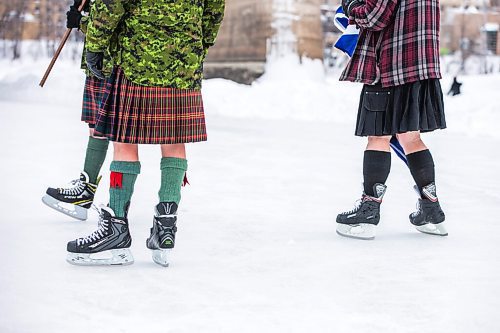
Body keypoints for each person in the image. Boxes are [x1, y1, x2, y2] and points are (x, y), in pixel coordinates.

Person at [66, 0, 225, 266]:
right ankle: (166, 226)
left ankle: (116, 227)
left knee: (125, 143)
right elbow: (214, 9)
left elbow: (111, 6)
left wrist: (94, 42)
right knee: (175, 142)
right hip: (184, 62)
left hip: (137, 59)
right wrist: (195, 43)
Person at [335, 0, 448, 240]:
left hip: (390, 64)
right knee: (411, 138)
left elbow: (375, 16)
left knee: (379, 136)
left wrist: (350, 5)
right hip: (421, 65)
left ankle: (368, 210)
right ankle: (430, 209)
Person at [42, 0, 115, 221]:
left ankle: (119, 205)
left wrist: (82, 22)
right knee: (96, 128)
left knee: (124, 137)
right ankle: (86, 189)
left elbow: (112, 20)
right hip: (98, 61)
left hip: (114, 61)